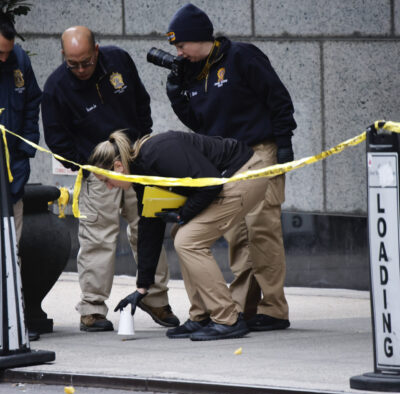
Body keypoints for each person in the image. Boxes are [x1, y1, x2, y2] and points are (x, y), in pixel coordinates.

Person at [163, 3, 297, 331]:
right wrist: (177, 95)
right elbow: (198, 123)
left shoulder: (241, 56)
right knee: (237, 234)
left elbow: (278, 99)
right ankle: (244, 309)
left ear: (199, 37)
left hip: (259, 149)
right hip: (227, 158)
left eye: (181, 45)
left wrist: (284, 144)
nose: (178, 53)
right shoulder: (194, 71)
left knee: (261, 230)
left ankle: (274, 309)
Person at [41, 26, 179, 332]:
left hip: (136, 161)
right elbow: (57, 141)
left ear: (97, 50)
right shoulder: (56, 88)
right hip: (97, 171)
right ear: (63, 56)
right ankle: (92, 308)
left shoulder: (119, 60)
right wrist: (93, 163)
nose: (80, 69)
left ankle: (155, 297)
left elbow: (141, 101)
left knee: (148, 228)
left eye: (86, 62)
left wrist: (141, 143)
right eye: (72, 64)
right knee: (97, 239)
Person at [89, 129, 276, 341]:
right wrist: (142, 287)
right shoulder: (140, 172)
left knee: (188, 240)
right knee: (182, 234)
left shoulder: (158, 152)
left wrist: (182, 214)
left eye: (106, 180)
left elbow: (210, 183)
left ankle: (227, 318)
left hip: (244, 172)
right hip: (229, 176)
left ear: (117, 167)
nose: (109, 187)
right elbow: (149, 226)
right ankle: (201, 316)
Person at [0, 12, 42, 341]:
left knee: (11, 252)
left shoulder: (19, 59)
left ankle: (15, 323)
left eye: (7, 51)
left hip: (13, 170)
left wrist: (27, 148)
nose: (4, 57)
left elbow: (31, 102)